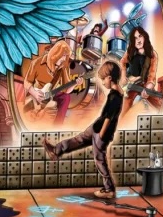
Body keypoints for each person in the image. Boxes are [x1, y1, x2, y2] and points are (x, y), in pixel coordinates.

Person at [43, 61, 124, 200]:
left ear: (110, 78)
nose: (103, 82)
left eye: (103, 79)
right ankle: (56, 150)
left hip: (101, 132)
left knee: (99, 159)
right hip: (96, 127)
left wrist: (101, 135)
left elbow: (109, 118)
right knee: (78, 140)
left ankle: (109, 189)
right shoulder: (116, 93)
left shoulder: (115, 96)